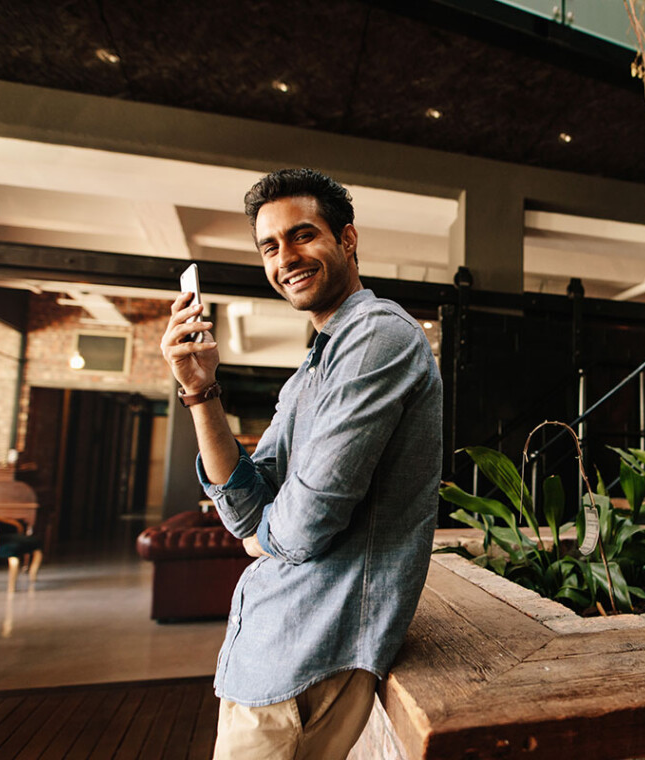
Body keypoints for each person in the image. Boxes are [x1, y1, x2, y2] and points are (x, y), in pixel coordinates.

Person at [160, 168, 442, 760]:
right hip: (271, 652)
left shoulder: (378, 336)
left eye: (302, 235)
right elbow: (244, 509)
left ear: (347, 238)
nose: (285, 257)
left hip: (308, 657)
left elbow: (305, 521)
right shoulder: (310, 371)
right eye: (270, 246)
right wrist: (200, 391)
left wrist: (263, 538)